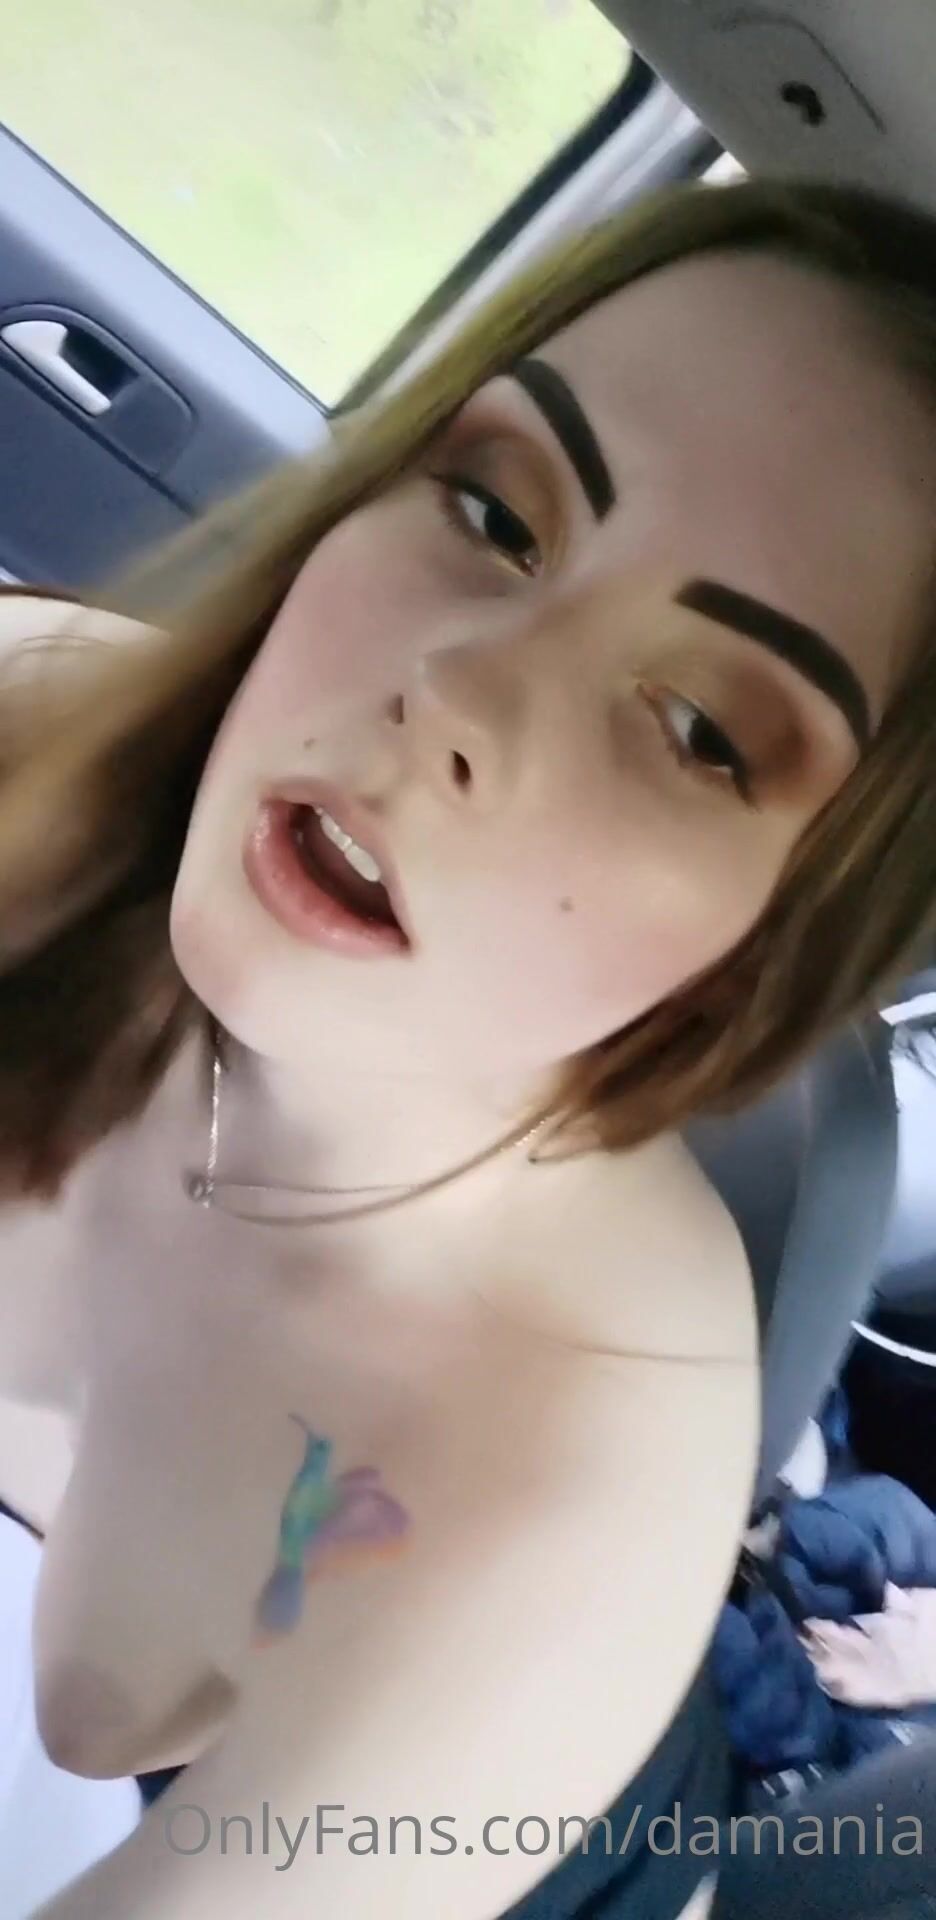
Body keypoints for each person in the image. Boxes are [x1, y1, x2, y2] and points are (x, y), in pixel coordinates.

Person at [0, 175, 935, 1920]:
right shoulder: (37, 735)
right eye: (499, 513)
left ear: (791, 937)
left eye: (700, 730)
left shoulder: (569, 1483)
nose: (459, 690)